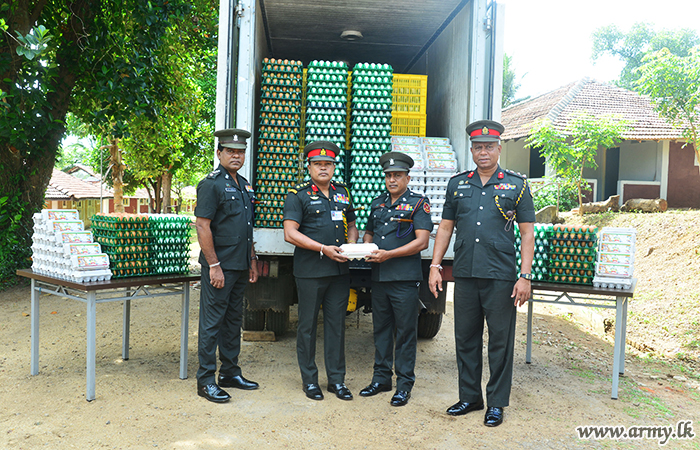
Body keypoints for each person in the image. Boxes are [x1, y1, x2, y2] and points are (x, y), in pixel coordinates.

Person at [428, 119, 535, 426]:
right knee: (466, 338)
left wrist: (524, 276)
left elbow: (527, 233)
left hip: (501, 276)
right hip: (465, 273)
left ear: (499, 148)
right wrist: (435, 266)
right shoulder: (457, 184)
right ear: (471, 149)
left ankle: (497, 403)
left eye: (489, 146)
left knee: (500, 341)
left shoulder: (517, 185)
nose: (483, 152)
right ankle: (470, 397)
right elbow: (446, 227)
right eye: (478, 147)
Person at [283, 140, 359, 401]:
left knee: (337, 326)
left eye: (328, 164)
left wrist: (351, 245)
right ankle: (310, 381)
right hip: (310, 271)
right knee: (306, 327)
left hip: (339, 272)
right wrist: (323, 248)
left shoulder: (343, 192)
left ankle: (337, 381)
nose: (323, 168)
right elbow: (290, 233)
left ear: (334, 167)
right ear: (309, 167)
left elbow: (351, 223)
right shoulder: (298, 195)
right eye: (318, 164)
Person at [360, 152, 432, 407]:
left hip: (404, 279)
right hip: (379, 277)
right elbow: (369, 231)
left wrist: (388, 254)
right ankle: (381, 379)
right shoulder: (377, 203)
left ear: (407, 178)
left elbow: (421, 241)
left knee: (405, 333)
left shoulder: (417, 203)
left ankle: (403, 385)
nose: (392, 180)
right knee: (381, 330)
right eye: (389, 175)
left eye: (397, 176)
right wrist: (366, 247)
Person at [194, 128, 260, 403]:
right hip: (220, 266)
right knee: (212, 323)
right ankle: (206, 379)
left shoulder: (244, 184)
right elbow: (202, 225)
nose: (236, 155)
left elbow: (246, 228)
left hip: (240, 265)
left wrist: (253, 260)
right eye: (230, 151)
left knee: (233, 321)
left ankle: (230, 372)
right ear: (219, 153)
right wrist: (214, 265)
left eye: (240, 151)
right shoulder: (211, 184)